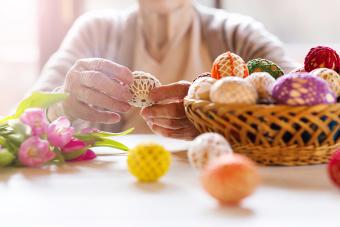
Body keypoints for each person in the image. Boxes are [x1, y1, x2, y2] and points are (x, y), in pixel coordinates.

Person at [32, 0, 295, 140]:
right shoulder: (96, 31)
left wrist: (217, 124)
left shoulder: (238, 35)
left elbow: (316, 106)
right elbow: (20, 123)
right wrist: (60, 106)